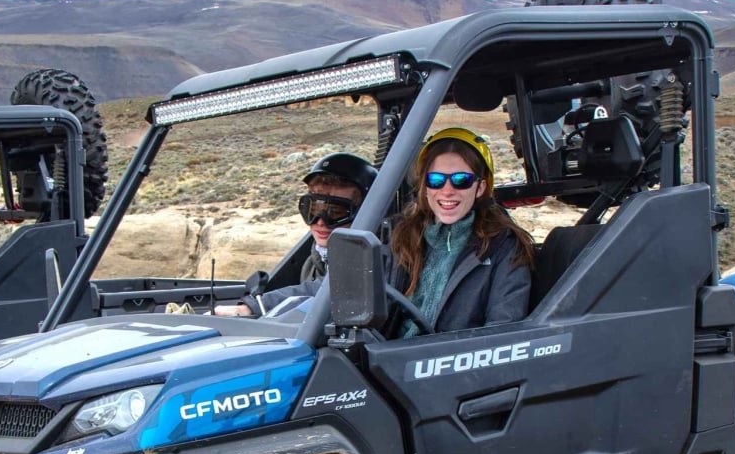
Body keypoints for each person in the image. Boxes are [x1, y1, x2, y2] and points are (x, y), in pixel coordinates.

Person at [389, 127, 533, 336]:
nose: (447, 190)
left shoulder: (504, 246)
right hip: (387, 359)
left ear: (480, 187)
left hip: (455, 362)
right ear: (425, 186)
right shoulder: (399, 235)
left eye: (461, 181)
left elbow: (503, 330)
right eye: (436, 180)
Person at [214, 152, 376, 316]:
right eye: (312, 210)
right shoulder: (313, 262)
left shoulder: (375, 260)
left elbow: (332, 288)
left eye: (336, 212)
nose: (320, 222)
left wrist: (253, 307)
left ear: (365, 212)